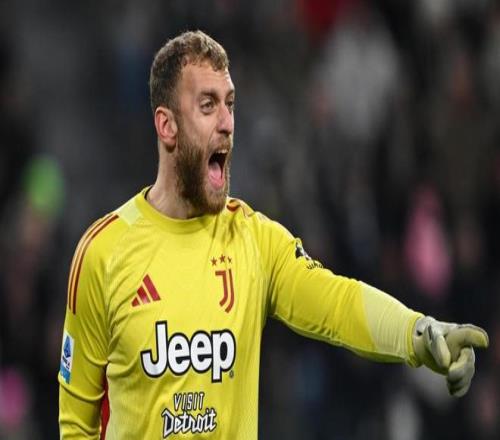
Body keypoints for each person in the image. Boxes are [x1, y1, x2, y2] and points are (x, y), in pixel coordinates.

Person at [58, 30, 489, 439]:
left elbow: (337, 303)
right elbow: (76, 424)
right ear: (166, 125)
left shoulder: (253, 240)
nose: (227, 122)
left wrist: (417, 332)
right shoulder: (103, 254)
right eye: (207, 105)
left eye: (230, 104)